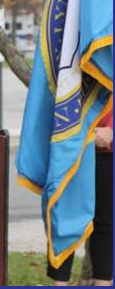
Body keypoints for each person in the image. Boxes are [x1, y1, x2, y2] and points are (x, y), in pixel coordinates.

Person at [47, 105, 113, 286]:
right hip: (68, 148)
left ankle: (103, 283)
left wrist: (112, 130)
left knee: (105, 223)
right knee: (63, 219)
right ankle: (59, 284)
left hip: (106, 153)